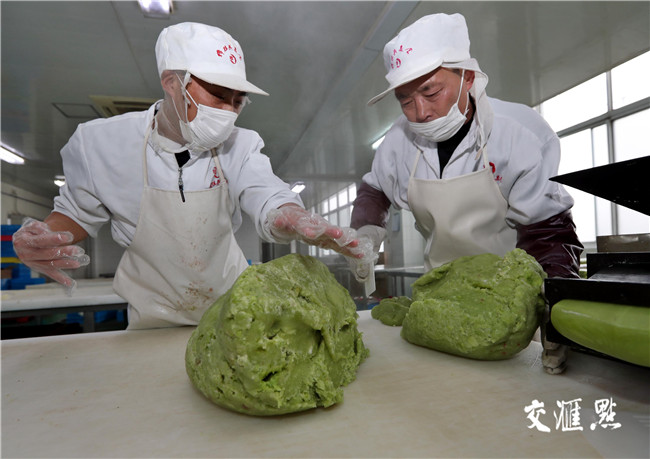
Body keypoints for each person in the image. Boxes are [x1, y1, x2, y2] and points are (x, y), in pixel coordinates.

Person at [13, 22, 364, 330]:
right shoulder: (101, 144)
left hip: (232, 312)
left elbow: (267, 192)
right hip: (152, 319)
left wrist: (289, 214)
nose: (228, 112)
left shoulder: (241, 145)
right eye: (218, 95)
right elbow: (75, 214)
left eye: (237, 101)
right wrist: (41, 238)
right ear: (172, 82)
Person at [350, 13, 583, 281]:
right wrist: (364, 235)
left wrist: (551, 293)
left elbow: (548, 235)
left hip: (510, 290)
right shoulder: (398, 141)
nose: (421, 113)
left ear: (468, 77)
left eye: (431, 93)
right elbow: (375, 191)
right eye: (405, 101)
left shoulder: (519, 135)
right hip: (440, 290)